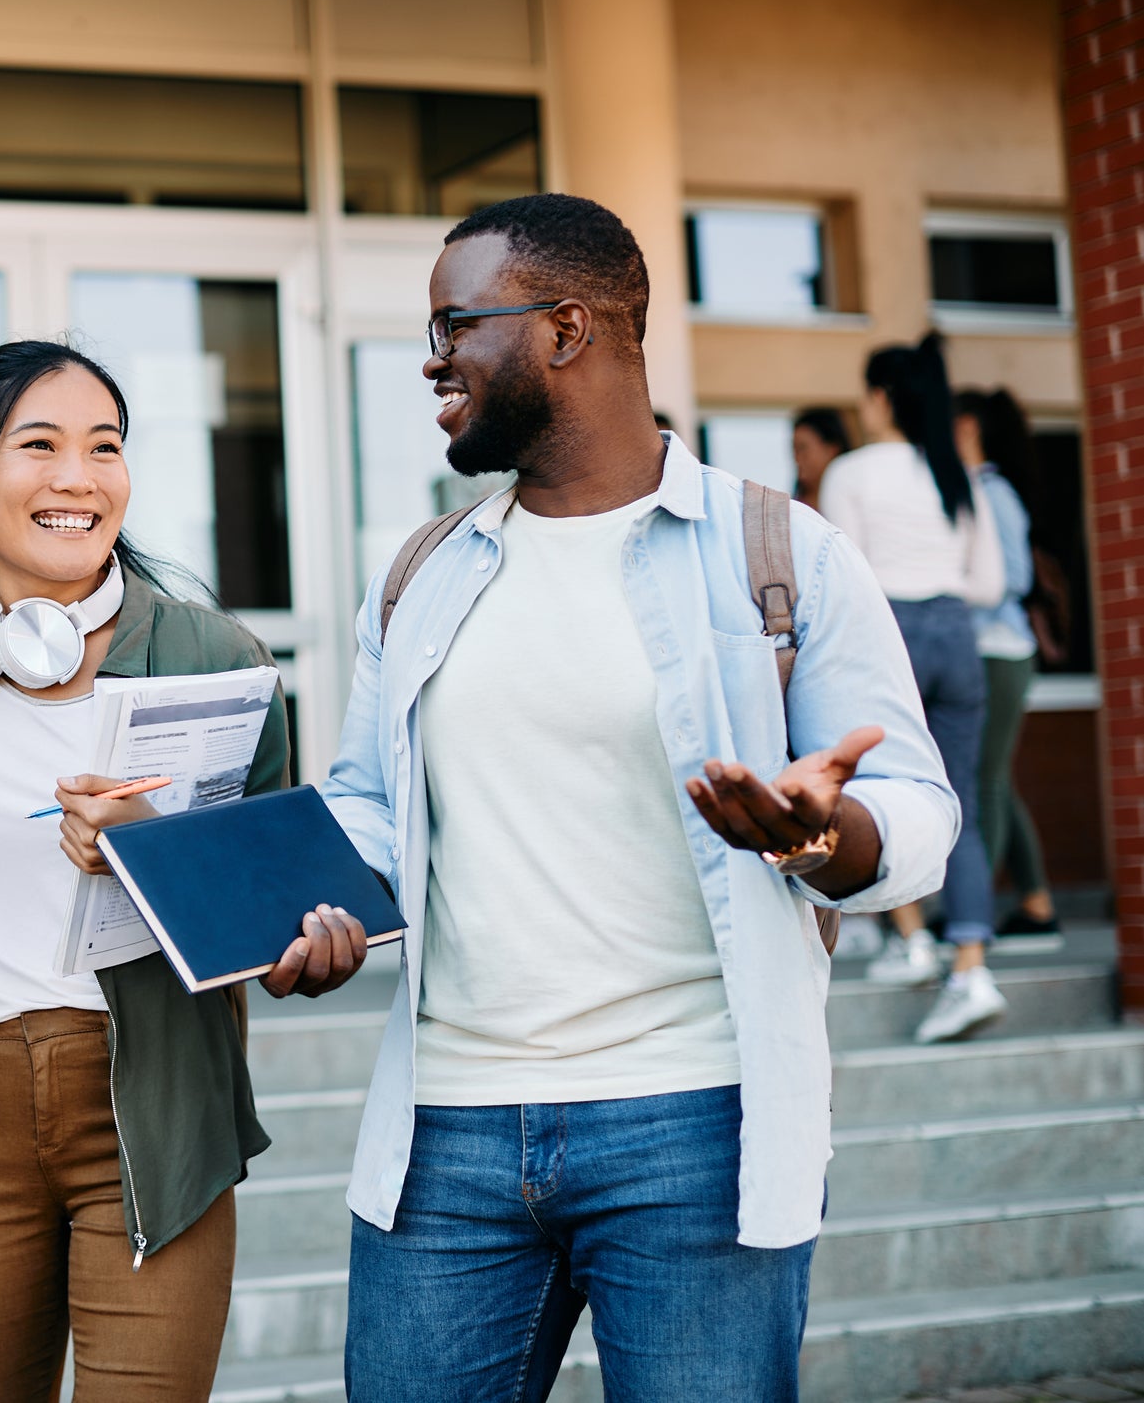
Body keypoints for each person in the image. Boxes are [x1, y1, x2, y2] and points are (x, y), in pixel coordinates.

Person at [322, 194, 957, 1401]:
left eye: (456, 323)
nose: (431, 356)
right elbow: (369, 812)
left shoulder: (782, 552)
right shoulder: (422, 575)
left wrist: (825, 830)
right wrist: (304, 914)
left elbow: (914, 805)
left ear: (567, 329)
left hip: (693, 1125)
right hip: (445, 1134)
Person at [0, 339, 366, 1401]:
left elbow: (278, 910)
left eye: (105, 446)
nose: (79, 476)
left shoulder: (218, 658)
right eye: (40, 444)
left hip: (149, 1107)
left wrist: (178, 863)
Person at [820, 338, 1008, 1041]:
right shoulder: (954, 475)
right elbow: (989, 583)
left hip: (888, 632)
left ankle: (913, 941)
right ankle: (969, 969)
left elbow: (842, 577)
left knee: (879, 787)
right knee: (956, 796)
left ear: (880, 398)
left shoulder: (852, 471)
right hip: (957, 633)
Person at [954, 388, 1062, 949]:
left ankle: (968, 917)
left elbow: (1016, 578)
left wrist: (952, 593)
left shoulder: (992, 491)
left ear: (968, 428)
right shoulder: (979, 488)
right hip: (991, 651)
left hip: (999, 650)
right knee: (998, 779)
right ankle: (1037, 901)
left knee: (984, 781)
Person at [791, 406, 852, 507]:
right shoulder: (794, 508)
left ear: (832, 449)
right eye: (794, 450)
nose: (797, 459)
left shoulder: (853, 499)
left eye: (803, 448)